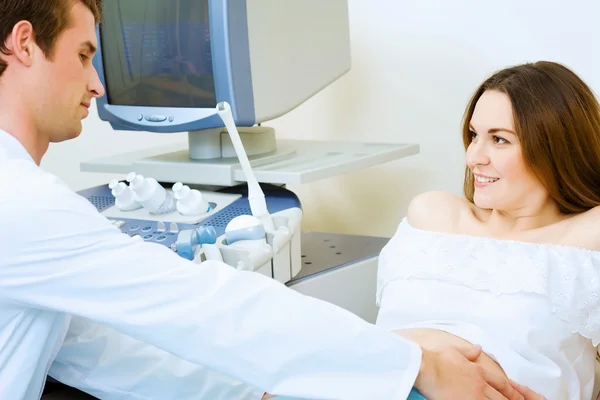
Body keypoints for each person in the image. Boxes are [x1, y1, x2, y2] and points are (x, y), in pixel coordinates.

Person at [0, 1, 544, 399]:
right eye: (84, 54)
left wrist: (262, 386)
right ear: (24, 43)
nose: (98, 84)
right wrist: (412, 361)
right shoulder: (23, 204)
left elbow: (97, 351)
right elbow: (202, 305)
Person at [375, 60, 600, 400]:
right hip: (373, 380)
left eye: (499, 139)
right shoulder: (432, 214)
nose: (473, 157)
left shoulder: (586, 237)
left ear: (555, 146)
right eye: (473, 136)